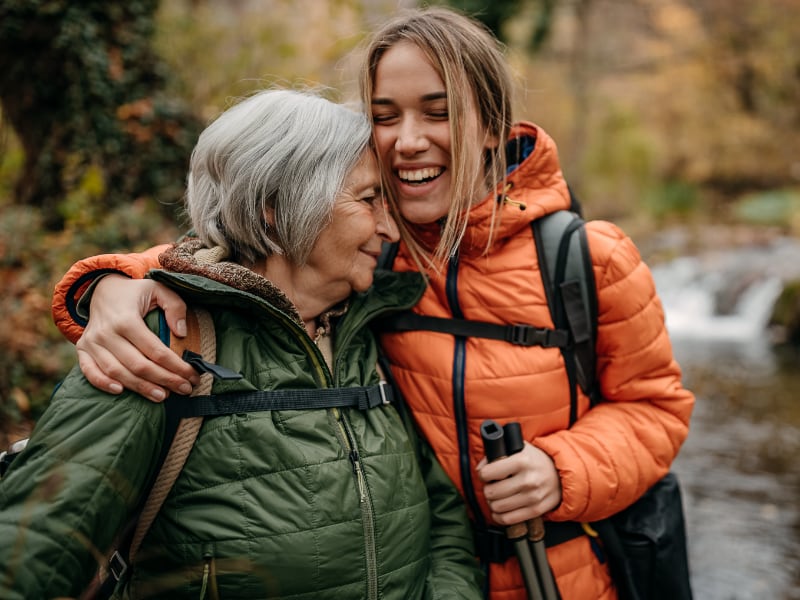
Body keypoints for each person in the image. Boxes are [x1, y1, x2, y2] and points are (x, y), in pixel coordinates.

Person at [48, 7, 695, 600]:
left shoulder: (587, 258)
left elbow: (656, 409)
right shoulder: (366, 249)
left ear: (494, 125)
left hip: (559, 579)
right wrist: (114, 281)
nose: (407, 141)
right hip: (414, 577)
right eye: (385, 116)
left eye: (437, 112)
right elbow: (239, 248)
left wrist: (564, 469)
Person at [0, 88, 485, 600]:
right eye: (367, 199)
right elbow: (31, 553)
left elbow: (443, 524)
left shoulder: (371, 336)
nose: (389, 226)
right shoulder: (160, 344)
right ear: (275, 206)